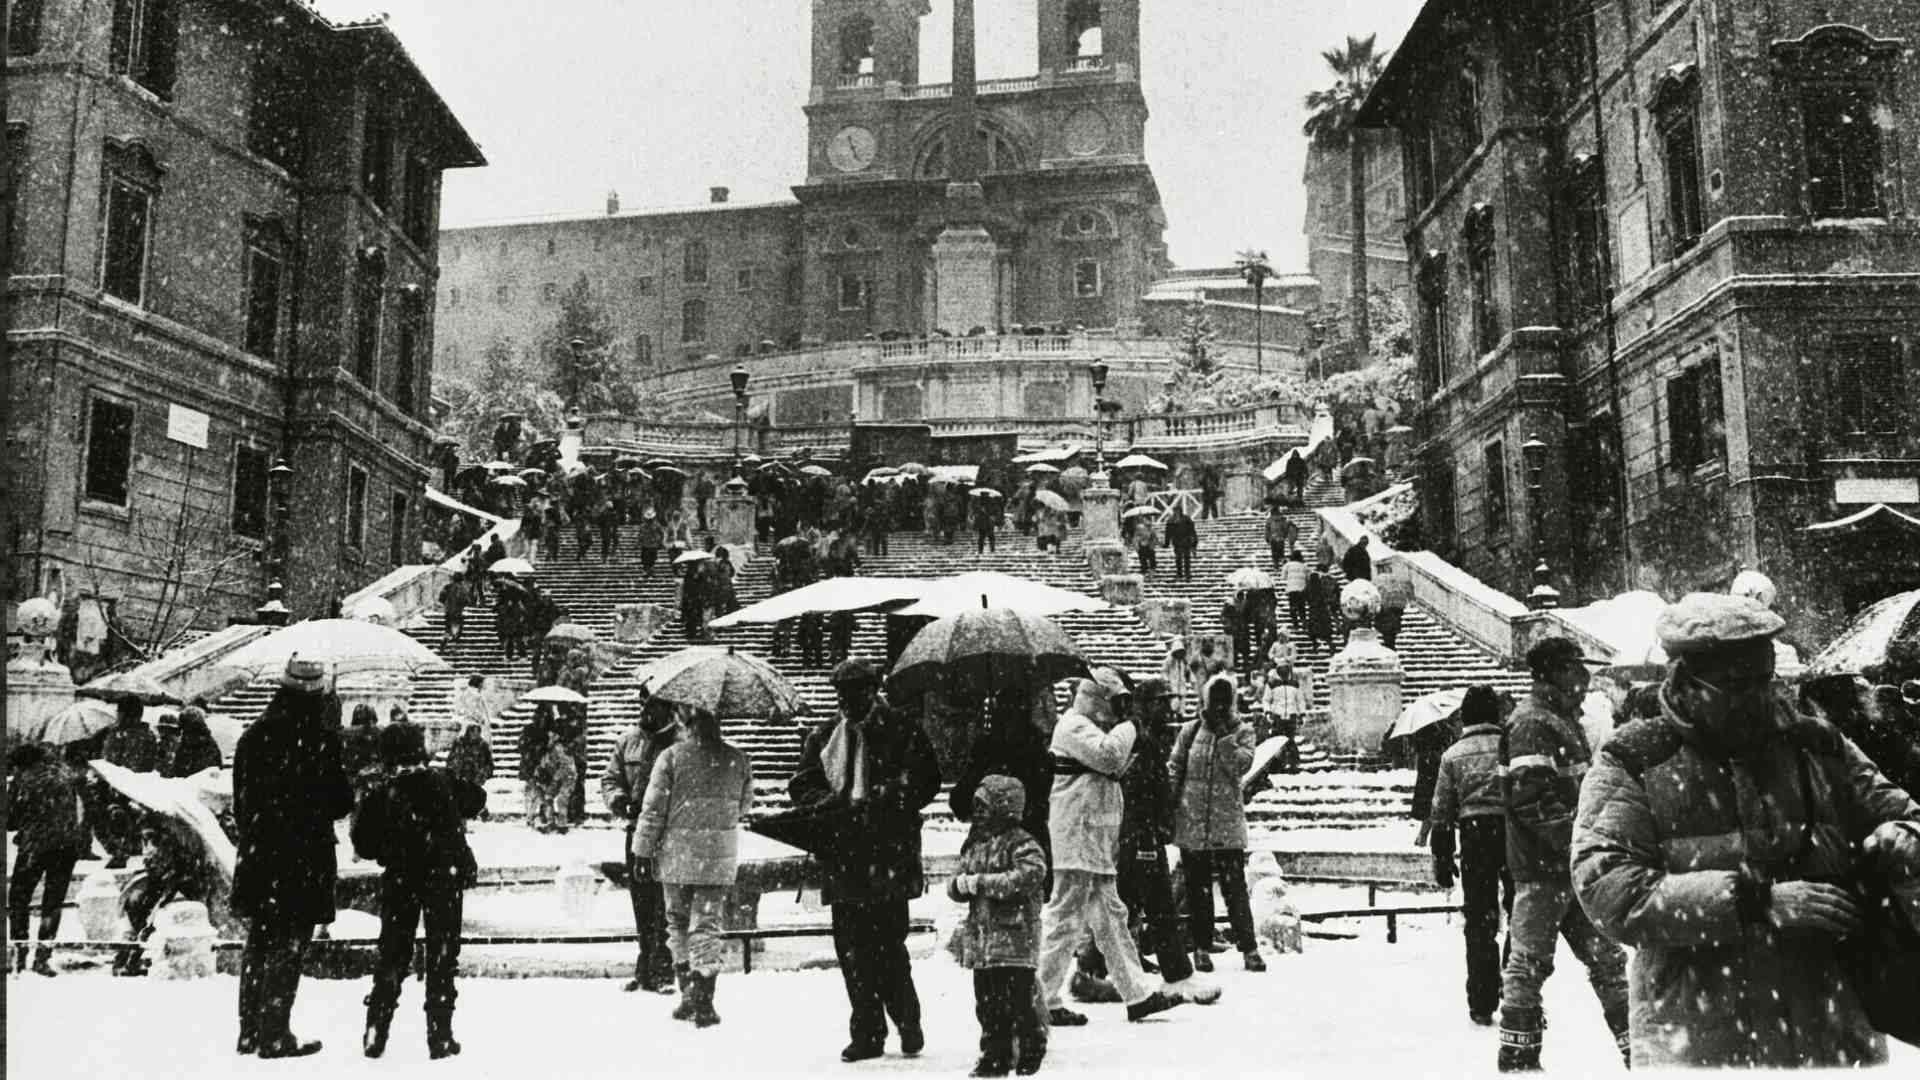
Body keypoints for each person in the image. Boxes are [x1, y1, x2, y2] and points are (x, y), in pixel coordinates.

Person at [1573, 593, 1920, 1069]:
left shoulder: (1818, 744)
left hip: (1829, 1028)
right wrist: (1757, 902)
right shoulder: (1635, 759)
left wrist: (1902, 836)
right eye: (1737, 685)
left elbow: (1904, 815)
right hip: (1700, 1037)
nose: (1762, 698)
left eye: (1767, 678)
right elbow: (1607, 887)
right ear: (1687, 681)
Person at [789, 660, 943, 1063]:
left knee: (889, 947)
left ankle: (907, 1020)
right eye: (841, 693)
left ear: (873, 690)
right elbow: (802, 783)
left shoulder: (902, 729)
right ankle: (868, 1032)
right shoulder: (825, 735)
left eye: (856, 692)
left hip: (887, 853)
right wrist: (820, 801)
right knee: (852, 952)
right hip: (844, 854)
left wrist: (890, 793)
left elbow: (926, 779)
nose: (847, 700)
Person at [1494, 637, 1627, 1072]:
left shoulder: (1559, 719)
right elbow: (1531, 800)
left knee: (1608, 960)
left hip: (1569, 869)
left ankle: (1640, 1051)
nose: (1586, 679)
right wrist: (1579, 842)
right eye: (1576, 669)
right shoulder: (1534, 723)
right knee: (1529, 965)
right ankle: (1518, 1058)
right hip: (1543, 871)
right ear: (1554, 673)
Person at [1034, 670, 1184, 1026]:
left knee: (1112, 920)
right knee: (1064, 921)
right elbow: (1110, 757)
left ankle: (1137, 994)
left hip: (1092, 842)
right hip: (1076, 840)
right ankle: (1040, 998)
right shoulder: (1073, 727)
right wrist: (1133, 725)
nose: (1121, 710)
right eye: (1118, 702)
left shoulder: (1088, 728)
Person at [229, 657, 354, 1059]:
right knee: (289, 942)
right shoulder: (321, 739)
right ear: (317, 694)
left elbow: (241, 801)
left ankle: (249, 1030)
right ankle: (274, 1032)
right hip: (302, 856)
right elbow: (339, 803)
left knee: (259, 940)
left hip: (261, 852)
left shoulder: (254, 736)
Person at [352, 723, 486, 1060]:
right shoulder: (442, 781)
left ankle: (376, 1028)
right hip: (444, 878)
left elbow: (363, 843)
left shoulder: (383, 792)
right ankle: (440, 1035)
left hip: (401, 879)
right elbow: (477, 798)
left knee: (393, 954)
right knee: (442, 955)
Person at [634, 705, 755, 1029]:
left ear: (688, 725)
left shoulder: (671, 757)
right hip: (717, 858)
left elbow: (653, 810)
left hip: (676, 857)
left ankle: (688, 993)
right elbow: (744, 806)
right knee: (707, 923)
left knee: (677, 922)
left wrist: (642, 852)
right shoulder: (738, 759)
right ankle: (705, 996)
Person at [1116, 678, 1216, 1002]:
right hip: (1140, 832)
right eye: (1160, 702)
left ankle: (1095, 967)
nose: (1167, 707)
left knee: (1124, 904)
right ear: (1144, 705)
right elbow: (1139, 790)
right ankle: (1177, 974)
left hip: (1142, 832)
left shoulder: (1149, 737)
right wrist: (1150, 827)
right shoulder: (1137, 740)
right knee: (1159, 906)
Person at [948, 774, 1050, 1078]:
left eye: (984, 807)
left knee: (1018, 1001)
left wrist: (980, 883)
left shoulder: (1023, 844)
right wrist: (958, 886)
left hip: (1015, 940)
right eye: (976, 807)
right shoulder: (976, 845)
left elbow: (1029, 875)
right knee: (988, 1005)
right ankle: (995, 1053)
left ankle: (1030, 1043)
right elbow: (958, 879)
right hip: (983, 943)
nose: (978, 814)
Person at [1427, 685, 1512, 1027]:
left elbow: (1441, 812)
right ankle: (1516, 975)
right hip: (1513, 833)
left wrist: (1443, 857)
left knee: (1479, 919)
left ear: (1465, 716)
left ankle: (1482, 997)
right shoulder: (1510, 746)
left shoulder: (1452, 755)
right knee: (1521, 910)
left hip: (1474, 836)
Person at [1171, 676, 1264, 974]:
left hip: (1226, 823)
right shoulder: (1191, 730)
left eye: (1225, 699)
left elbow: (1241, 765)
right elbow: (1176, 768)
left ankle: (1249, 948)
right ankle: (1200, 946)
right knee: (1197, 888)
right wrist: (1169, 805)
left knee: (1234, 887)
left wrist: (1225, 737)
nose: (1220, 705)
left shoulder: (1243, 731)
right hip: (1193, 821)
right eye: (1215, 698)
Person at [600, 696, 679, 995]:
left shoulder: (680, 744)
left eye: (652, 705)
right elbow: (610, 778)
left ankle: (663, 969)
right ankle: (645, 966)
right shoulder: (628, 741)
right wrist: (619, 801)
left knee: (665, 903)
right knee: (642, 901)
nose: (644, 710)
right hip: (636, 831)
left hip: (669, 833)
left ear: (668, 708)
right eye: (642, 704)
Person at [7, 742, 87, 976]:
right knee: (52, 903)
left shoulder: (25, 777)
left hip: (36, 846)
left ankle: (18, 956)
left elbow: (11, 819)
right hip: (66, 846)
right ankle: (42, 957)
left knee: (19, 897)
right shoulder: (64, 771)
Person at [444, 720, 494, 797]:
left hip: (475, 780)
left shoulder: (483, 745)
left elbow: (489, 764)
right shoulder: (459, 742)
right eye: (472, 731)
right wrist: (452, 771)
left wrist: (482, 775)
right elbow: (450, 759)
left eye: (477, 732)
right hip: (458, 779)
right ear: (468, 732)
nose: (475, 734)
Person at [1376, 564, 1411, 651]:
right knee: (1391, 636)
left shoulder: (1381, 587)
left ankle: (1389, 647)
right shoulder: (1398, 588)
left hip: (1386, 618)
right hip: (1393, 619)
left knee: (1387, 636)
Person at [1306, 560, 1338, 649]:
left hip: (1314, 608)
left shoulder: (1313, 580)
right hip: (1323, 607)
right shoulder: (1330, 580)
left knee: (1313, 628)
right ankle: (1331, 645)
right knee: (1325, 629)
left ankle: (1315, 644)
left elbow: (1307, 592)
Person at [1165, 505, 1197, 583]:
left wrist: (1194, 542)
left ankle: (1187, 574)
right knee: (1178, 559)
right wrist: (1167, 542)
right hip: (1177, 542)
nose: (1176, 512)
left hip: (1186, 541)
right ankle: (1179, 574)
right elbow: (1168, 533)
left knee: (1186, 558)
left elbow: (1192, 530)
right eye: (1175, 511)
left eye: (1178, 510)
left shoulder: (1186, 519)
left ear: (1180, 511)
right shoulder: (1171, 520)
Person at [1282, 550, 1310, 637]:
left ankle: (1295, 624)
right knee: (1302, 607)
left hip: (1291, 589)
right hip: (1302, 589)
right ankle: (1304, 622)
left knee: (1292, 606)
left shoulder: (1287, 565)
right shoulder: (1304, 566)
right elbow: (1308, 578)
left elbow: (1283, 577)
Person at [438, 576, 470, 645]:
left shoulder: (447, 587)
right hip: (458, 611)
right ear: (461, 580)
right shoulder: (463, 589)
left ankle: (445, 638)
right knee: (458, 625)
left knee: (448, 626)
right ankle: (455, 639)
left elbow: (441, 598)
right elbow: (467, 600)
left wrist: (446, 603)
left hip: (448, 610)